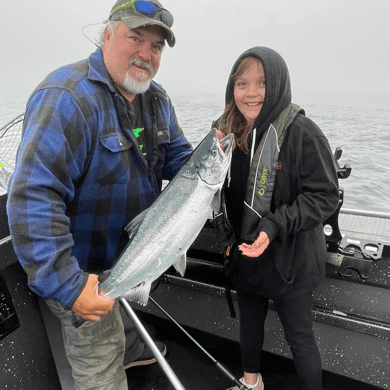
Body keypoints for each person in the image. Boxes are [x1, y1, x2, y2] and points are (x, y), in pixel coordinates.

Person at [6, 1, 192, 389]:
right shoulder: (67, 97)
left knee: (120, 317)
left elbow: (180, 158)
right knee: (99, 359)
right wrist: (72, 286)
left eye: (156, 47)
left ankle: (131, 348)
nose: (146, 53)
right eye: (136, 38)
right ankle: (113, 356)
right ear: (107, 34)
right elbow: (31, 198)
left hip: (128, 256)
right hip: (82, 268)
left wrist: (214, 160)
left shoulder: (156, 100)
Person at [214, 47, 340, 390]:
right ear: (232, 87)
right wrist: (227, 240)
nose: (251, 92)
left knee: (299, 335)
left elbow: (325, 195)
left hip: (291, 258)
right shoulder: (225, 132)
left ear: (279, 84)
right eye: (242, 83)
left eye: (262, 83)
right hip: (245, 253)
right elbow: (220, 193)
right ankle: (251, 383)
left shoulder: (303, 133)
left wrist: (275, 225)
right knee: (249, 324)